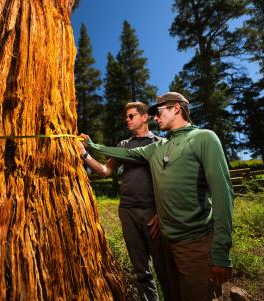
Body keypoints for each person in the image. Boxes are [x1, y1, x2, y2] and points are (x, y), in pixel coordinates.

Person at [80, 92, 234, 301]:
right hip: (167, 242)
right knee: (172, 291)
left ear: (176, 108)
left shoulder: (203, 138)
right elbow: (124, 154)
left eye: (159, 112)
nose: (155, 117)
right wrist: (91, 147)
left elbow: (223, 195)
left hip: (195, 243)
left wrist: (221, 254)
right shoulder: (157, 148)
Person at [78, 102, 173, 301]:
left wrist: (160, 213)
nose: (127, 120)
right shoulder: (123, 145)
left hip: (152, 213)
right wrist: (84, 154)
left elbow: (169, 181)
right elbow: (105, 171)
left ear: (145, 117)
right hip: (127, 211)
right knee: (141, 271)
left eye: (131, 116)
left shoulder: (160, 143)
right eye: (126, 117)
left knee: (165, 269)